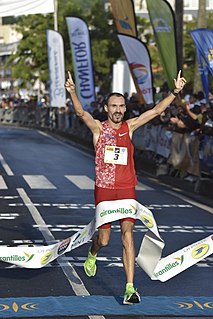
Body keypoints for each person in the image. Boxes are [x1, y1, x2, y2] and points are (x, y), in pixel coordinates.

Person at [64, 70, 187, 305]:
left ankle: (130, 288)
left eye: (121, 106)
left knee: (128, 235)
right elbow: (80, 112)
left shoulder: (129, 127)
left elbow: (156, 111)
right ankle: (93, 252)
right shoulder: (98, 129)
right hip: (105, 190)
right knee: (105, 239)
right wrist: (72, 92)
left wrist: (175, 92)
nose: (118, 110)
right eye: (114, 106)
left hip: (127, 189)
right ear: (107, 108)